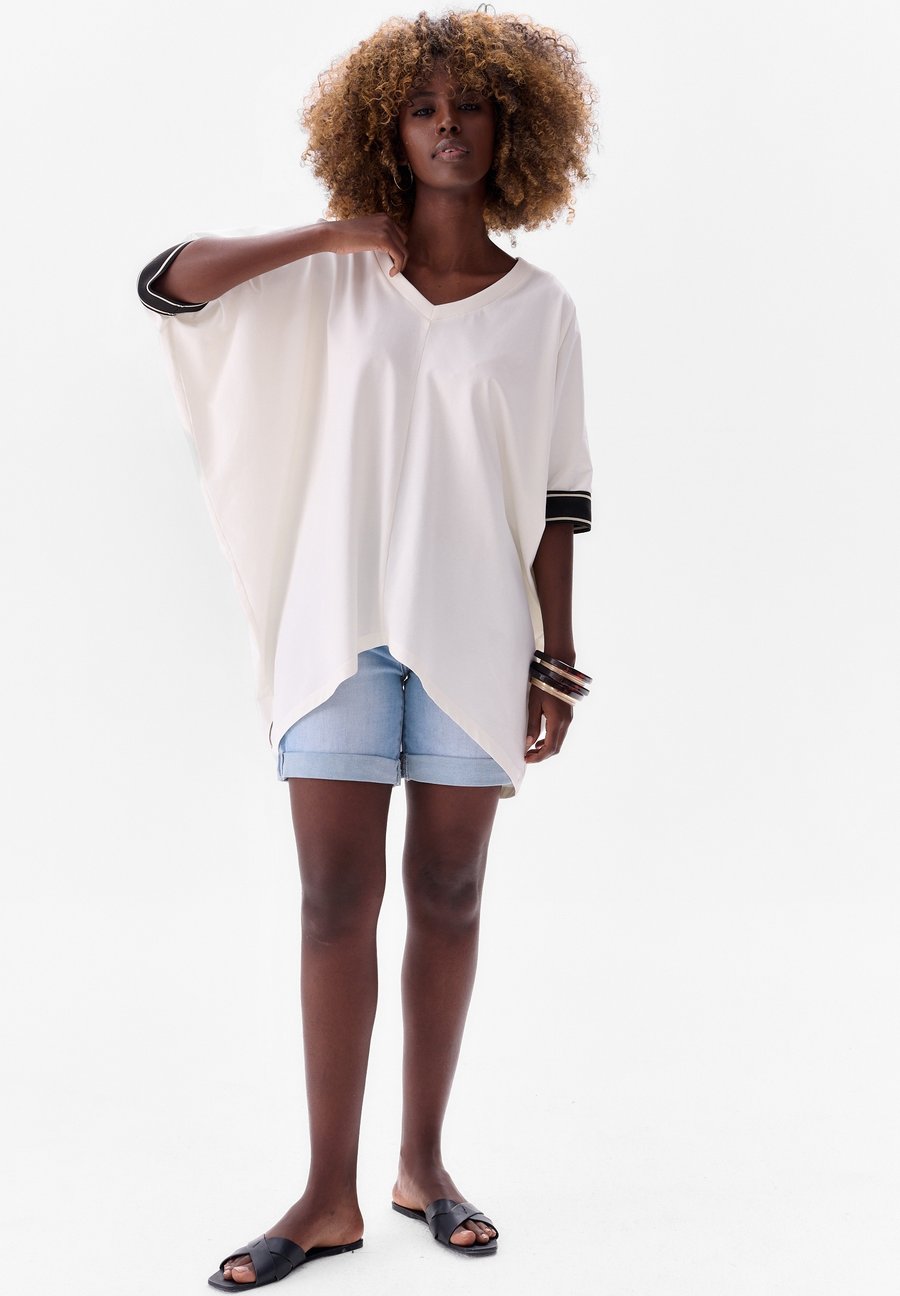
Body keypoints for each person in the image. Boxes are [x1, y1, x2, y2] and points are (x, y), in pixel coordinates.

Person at [138, 7, 598, 1288]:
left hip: (478, 633)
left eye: (471, 106)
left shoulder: (543, 311)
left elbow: (561, 496)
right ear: (387, 130)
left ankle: (423, 1168)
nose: (448, 126)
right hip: (338, 633)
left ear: (513, 127)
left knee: (449, 895)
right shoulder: (334, 278)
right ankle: (324, 1195)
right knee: (334, 902)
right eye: (423, 107)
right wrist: (332, 232)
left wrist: (556, 660)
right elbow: (168, 283)